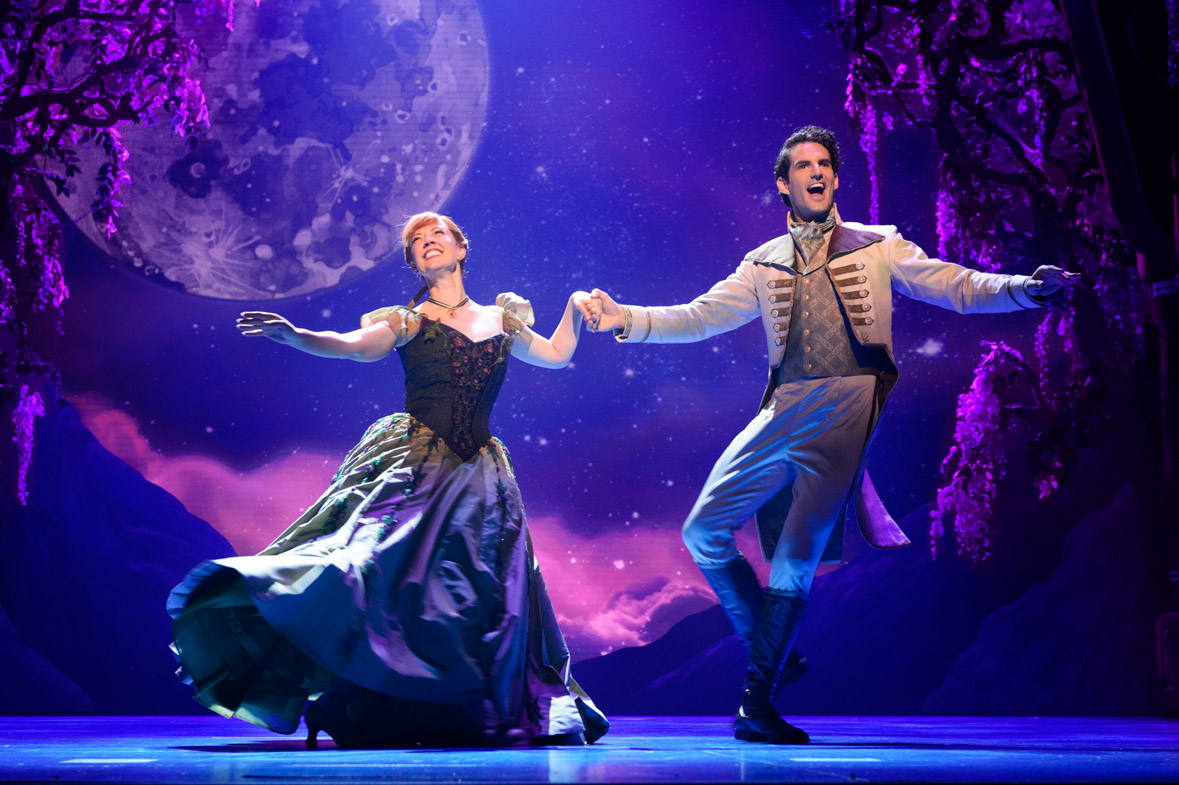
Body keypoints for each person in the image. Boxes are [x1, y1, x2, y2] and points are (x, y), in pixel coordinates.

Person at [585, 125, 1076, 745]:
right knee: (703, 529)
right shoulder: (762, 262)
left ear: (835, 178)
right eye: (803, 166)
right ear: (783, 184)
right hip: (783, 407)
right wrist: (624, 317)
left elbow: (952, 284)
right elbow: (700, 315)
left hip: (848, 406)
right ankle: (775, 648)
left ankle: (755, 704)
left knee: (795, 558)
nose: (816, 173)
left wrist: (1024, 289)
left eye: (824, 164)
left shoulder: (878, 245)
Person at [167, 211, 609, 748]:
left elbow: (558, 356)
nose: (427, 244)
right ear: (413, 261)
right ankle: (358, 689)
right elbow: (351, 344)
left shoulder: (503, 320)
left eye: (436, 235)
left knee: (480, 594)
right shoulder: (407, 320)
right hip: (417, 463)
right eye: (417, 242)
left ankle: (453, 709)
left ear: (460, 248)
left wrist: (572, 310)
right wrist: (298, 336)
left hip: (481, 479)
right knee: (380, 569)